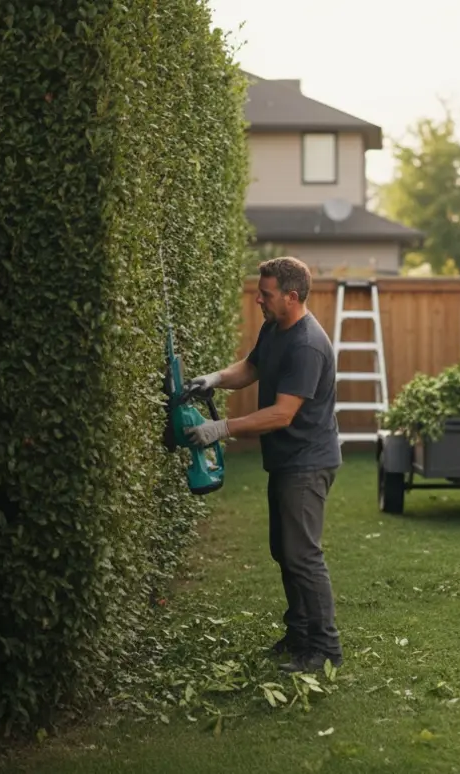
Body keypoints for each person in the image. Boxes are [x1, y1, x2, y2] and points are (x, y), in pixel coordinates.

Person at [184, 256, 344, 674]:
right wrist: (215, 378)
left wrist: (221, 428)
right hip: (288, 459)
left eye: (266, 294)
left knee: (302, 555)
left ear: (291, 296)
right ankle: (299, 635)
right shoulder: (275, 327)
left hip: (307, 462)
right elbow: (252, 366)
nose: (258, 299)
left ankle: (324, 649)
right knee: (285, 551)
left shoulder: (307, 345)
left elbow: (282, 414)